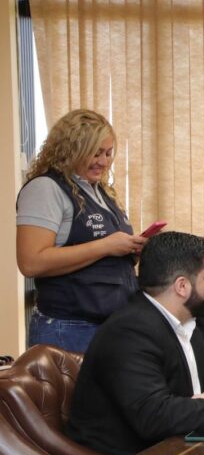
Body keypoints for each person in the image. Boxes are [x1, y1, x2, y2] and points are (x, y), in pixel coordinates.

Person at [66, 231, 204, 455]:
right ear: (182, 286)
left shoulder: (201, 319)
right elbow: (155, 415)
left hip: (188, 454)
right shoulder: (128, 332)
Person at [16, 109, 147, 352]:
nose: (103, 162)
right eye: (95, 153)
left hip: (109, 325)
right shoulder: (46, 189)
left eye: (108, 153)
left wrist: (129, 250)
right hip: (68, 328)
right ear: (71, 150)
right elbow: (31, 262)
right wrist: (107, 246)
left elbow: (104, 254)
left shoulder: (100, 191)